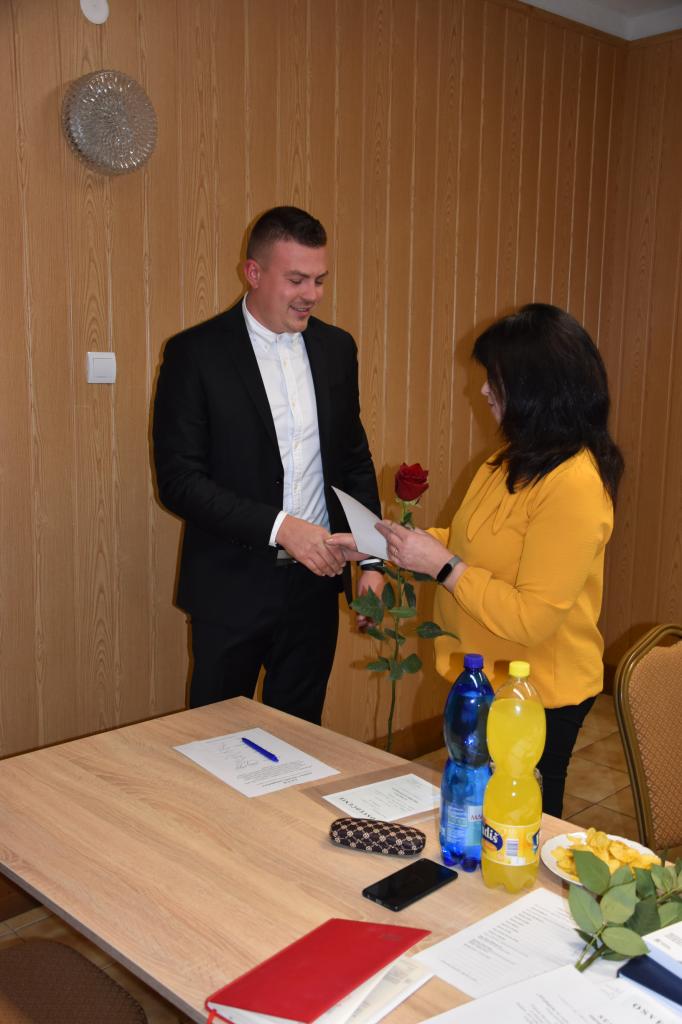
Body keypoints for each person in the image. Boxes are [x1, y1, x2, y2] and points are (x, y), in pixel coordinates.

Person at [330, 303, 624, 816]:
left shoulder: (574, 482)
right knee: (475, 812)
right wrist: (385, 544)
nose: (484, 390)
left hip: (537, 694)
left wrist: (443, 567)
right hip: (481, 678)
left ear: (536, 388)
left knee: (515, 823)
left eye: (495, 379)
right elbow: (467, 542)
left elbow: (530, 617)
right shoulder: (509, 459)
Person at [153, 206, 383, 724]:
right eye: (296, 280)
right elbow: (180, 481)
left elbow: (353, 459)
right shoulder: (195, 353)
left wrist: (371, 560)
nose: (312, 294)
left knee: (301, 735)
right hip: (230, 586)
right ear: (253, 273)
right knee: (218, 738)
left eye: (320, 280)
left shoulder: (337, 349)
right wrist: (282, 528)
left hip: (316, 586)